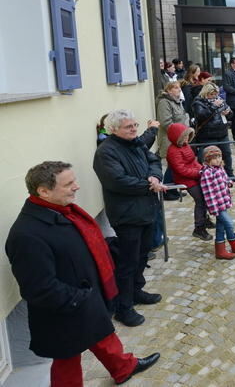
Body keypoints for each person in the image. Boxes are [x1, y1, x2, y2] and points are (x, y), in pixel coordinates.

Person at [5, 161, 160, 386]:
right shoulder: (26, 235)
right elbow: (38, 288)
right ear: (44, 191)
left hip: (86, 297)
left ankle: (124, 367)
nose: (76, 186)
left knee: (103, 335)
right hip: (66, 308)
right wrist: (82, 299)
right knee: (67, 362)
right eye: (68, 184)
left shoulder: (64, 212)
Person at [92, 110, 164, 327]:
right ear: (114, 129)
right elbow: (117, 181)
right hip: (127, 215)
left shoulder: (136, 143)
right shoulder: (106, 152)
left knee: (142, 255)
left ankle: (136, 291)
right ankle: (123, 307)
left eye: (134, 125)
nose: (134, 129)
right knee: (127, 262)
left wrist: (155, 176)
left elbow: (153, 159)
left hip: (146, 209)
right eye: (128, 127)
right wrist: (148, 185)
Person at [199, 146, 235, 260]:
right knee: (229, 224)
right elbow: (209, 193)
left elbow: (225, 178)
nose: (218, 160)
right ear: (207, 159)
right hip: (217, 206)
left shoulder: (220, 168)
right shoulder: (207, 173)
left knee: (221, 226)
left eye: (219, 157)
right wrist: (214, 210)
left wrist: (229, 183)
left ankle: (220, 251)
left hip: (223, 202)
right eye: (214, 158)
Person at [165, 123, 212, 241]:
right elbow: (181, 170)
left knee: (205, 196)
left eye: (187, 136)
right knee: (200, 200)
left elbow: (193, 161)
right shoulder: (173, 151)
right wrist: (198, 173)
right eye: (184, 136)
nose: (187, 138)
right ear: (178, 137)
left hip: (194, 176)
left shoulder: (185, 146)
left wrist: (202, 169)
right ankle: (199, 228)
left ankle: (205, 219)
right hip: (185, 179)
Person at [192, 83, 234, 177]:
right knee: (207, 156)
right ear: (205, 93)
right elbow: (201, 115)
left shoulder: (219, 99)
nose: (214, 96)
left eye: (216, 94)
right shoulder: (198, 102)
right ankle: (207, 175)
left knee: (226, 154)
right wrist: (214, 106)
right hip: (208, 135)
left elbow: (230, 114)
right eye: (212, 94)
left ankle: (229, 174)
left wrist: (228, 113)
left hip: (222, 133)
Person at [155, 81, 189, 160]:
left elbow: (183, 118)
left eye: (179, 87)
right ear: (169, 90)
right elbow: (166, 122)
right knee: (171, 166)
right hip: (169, 142)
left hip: (180, 141)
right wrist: (179, 135)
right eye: (176, 88)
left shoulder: (178, 102)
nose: (179, 90)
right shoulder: (164, 102)